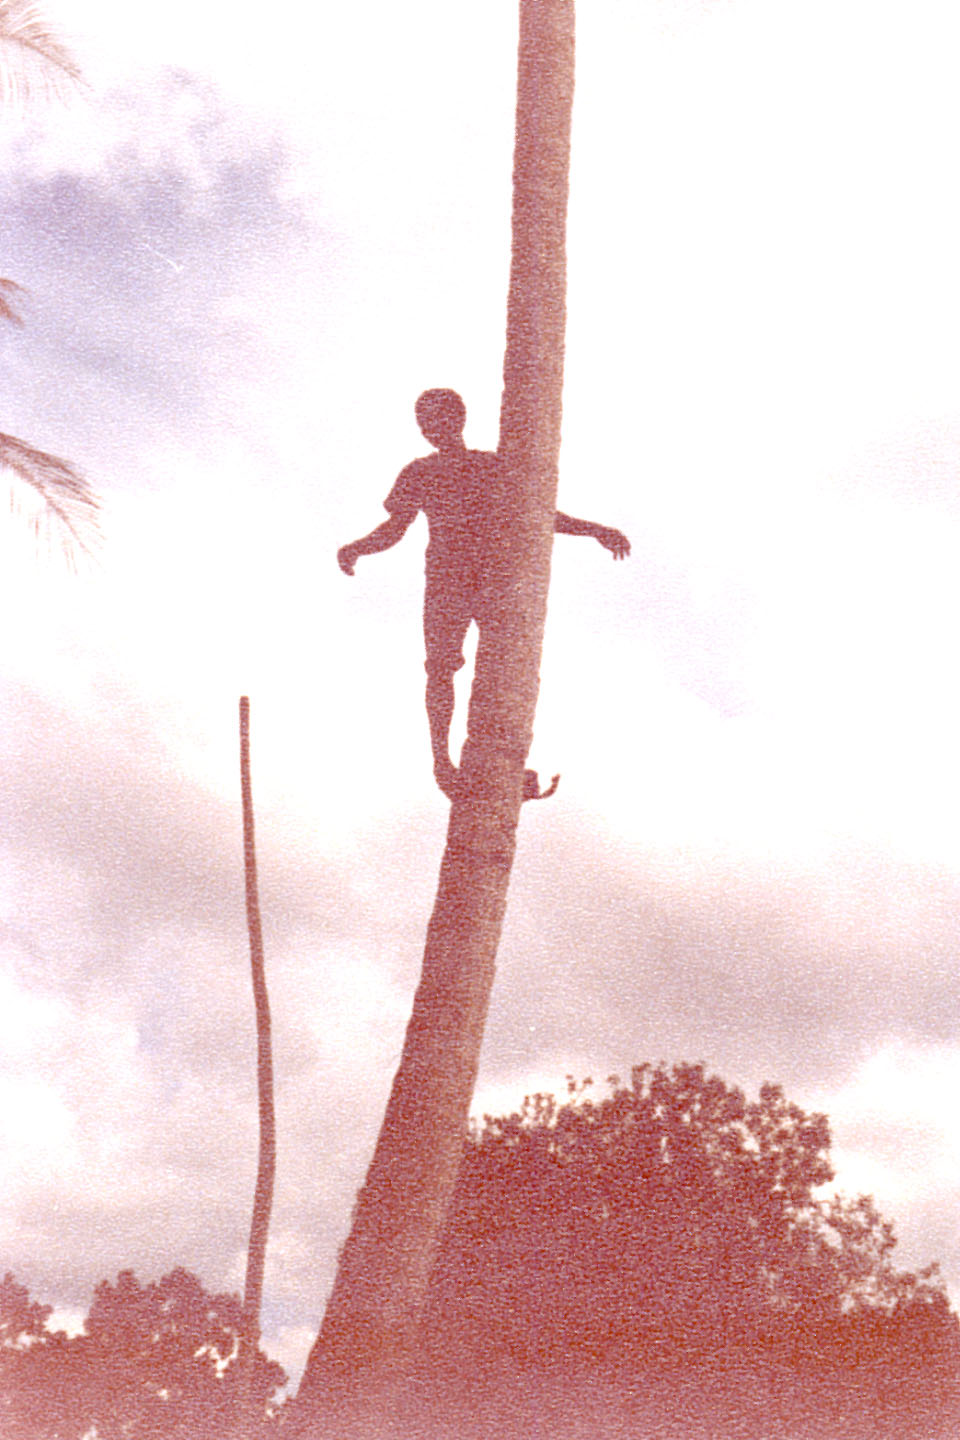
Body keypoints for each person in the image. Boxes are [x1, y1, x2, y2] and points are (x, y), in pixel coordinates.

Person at [337, 388, 630, 799]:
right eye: (423, 422)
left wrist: (596, 530)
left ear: (458, 419)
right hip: (445, 580)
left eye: (437, 419)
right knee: (440, 668)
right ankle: (442, 762)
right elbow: (395, 528)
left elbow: (539, 514)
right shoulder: (419, 472)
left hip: (492, 579)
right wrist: (357, 548)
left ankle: (503, 758)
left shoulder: (489, 466)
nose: (430, 429)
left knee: (506, 664)